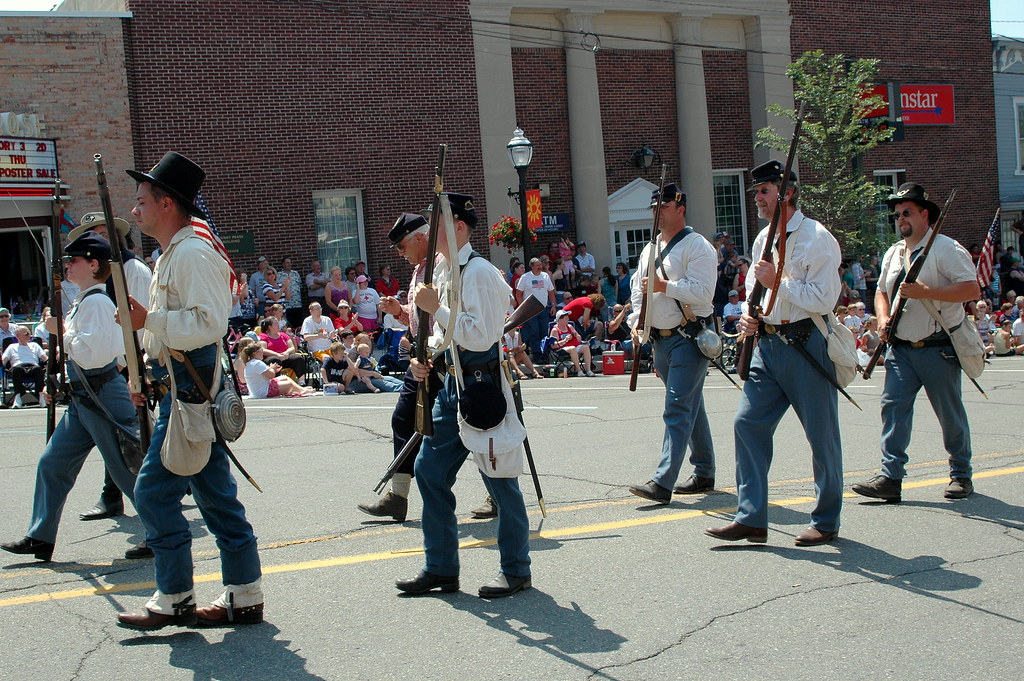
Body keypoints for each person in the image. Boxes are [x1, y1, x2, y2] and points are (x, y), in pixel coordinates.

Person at [116, 151, 263, 630]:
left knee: (154, 494)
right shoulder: (175, 252)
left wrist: (147, 320)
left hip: (193, 394)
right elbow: (173, 334)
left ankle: (175, 596)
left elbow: (207, 324)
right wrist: (148, 380)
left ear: (166, 203)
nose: (134, 211)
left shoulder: (193, 253)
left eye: (141, 201)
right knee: (216, 498)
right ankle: (244, 595)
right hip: (179, 390)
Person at [394, 192, 532, 598]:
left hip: (482, 388)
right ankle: (440, 568)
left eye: (438, 222)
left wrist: (436, 309)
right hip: (450, 387)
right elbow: (443, 338)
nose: (429, 231)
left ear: (458, 228)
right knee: (429, 472)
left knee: (500, 481)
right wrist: (426, 361)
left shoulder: (481, 273)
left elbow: (481, 334)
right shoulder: (441, 272)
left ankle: (516, 569)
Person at [706, 160, 844, 546]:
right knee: (747, 425)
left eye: (764, 191)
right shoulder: (762, 238)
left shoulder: (817, 238)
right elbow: (757, 291)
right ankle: (751, 517)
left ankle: (826, 518)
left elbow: (824, 299)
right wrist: (752, 318)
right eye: (756, 193)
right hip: (768, 346)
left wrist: (777, 282)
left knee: (821, 436)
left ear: (788, 193)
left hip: (805, 345)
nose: (758, 199)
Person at [1, 232, 143, 562]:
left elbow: (97, 354)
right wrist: (61, 378)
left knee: (126, 468)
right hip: (84, 397)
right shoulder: (85, 301)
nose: (68, 265)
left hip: (101, 393)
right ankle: (40, 535)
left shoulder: (97, 302)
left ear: (94, 264)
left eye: (74, 260)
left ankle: (163, 532)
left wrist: (60, 331)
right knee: (53, 463)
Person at [851, 182, 982, 504]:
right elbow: (881, 291)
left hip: (938, 346)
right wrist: (882, 319)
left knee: (948, 413)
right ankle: (890, 476)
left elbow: (971, 290)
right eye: (897, 215)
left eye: (907, 212)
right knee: (893, 408)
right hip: (901, 347)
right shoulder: (895, 253)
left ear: (925, 214)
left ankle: (960, 474)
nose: (901, 219)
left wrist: (927, 293)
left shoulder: (947, 249)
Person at [625, 183, 718, 504]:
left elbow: (704, 293)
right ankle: (704, 470)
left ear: (680, 209)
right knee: (691, 405)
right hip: (659, 340)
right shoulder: (649, 249)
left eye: (663, 207)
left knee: (677, 407)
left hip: (688, 338)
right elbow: (638, 291)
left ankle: (663, 481)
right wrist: (636, 324)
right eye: (654, 208)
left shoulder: (698, 246)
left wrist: (665, 286)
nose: (657, 213)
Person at [515, 257, 557, 356]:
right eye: (537, 265)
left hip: (543, 308)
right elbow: (518, 293)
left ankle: (545, 353)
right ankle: (537, 354)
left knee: (544, 332)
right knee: (534, 332)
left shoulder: (545, 276)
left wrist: (553, 305)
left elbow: (551, 292)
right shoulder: (525, 277)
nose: (540, 267)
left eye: (540, 265)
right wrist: (522, 307)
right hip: (531, 310)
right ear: (532, 266)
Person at [242, 342, 313, 398]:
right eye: (261, 350)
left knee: (285, 378)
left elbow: (266, 374)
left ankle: (301, 390)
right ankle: (301, 390)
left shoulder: (251, 363)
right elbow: (271, 375)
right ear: (255, 352)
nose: (262, 352)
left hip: (260, 389)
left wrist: (273, 369)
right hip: (263, 392)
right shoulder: (257, 363)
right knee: (289, 384)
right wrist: (272, 369)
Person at [2, 325, 47, 407]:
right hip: (18, 367)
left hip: (33, 366)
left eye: (30, 333)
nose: (29, 335)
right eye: (26, 334)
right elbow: (4, 359)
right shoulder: (12, 347)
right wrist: (2, 361)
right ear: (18, 336)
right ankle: (18, 397)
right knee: (16, 370)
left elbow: (44, 358)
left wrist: (48, 361)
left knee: (38, 369)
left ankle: (41, 396)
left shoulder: (34, 345)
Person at [258, 316, 308, 381]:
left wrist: (287, 353)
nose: (278, 325)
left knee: (298, 358)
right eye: (276, 324)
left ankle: (302, 382)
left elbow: (292, 347)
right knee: (275, 360)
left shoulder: (283, 335)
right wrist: (277, 355)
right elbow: (263, 349)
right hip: (272, 358)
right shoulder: (263, 336)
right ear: (269, 327)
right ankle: (276, 383)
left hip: (285, 356)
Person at [549, 309, 594, 376]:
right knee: (572, 348)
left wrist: (575, 334)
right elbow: (553, 345)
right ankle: (579, 371)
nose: (568, 319)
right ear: (560, 319)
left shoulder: (570, 326)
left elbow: (579, 339)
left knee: (586, 348)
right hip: (563, 349)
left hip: (575, 346)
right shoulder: (555, 330)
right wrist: (565, 340)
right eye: (566, 318)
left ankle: (588, 370)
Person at [279, 257, 304, 331]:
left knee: (299, 324)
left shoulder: (295, 273)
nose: (289, 264)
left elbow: (300, 285)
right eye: (287, 262)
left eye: (290, 262)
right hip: (287, 304)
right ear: (283, 264)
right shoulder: (279, 275)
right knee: (290, 324)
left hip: (297, 303)